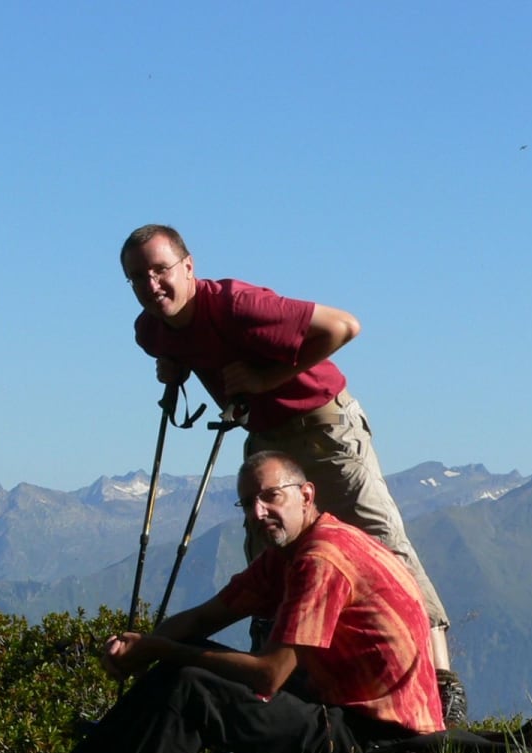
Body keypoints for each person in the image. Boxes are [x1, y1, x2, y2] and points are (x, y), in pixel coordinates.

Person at [0, 451, 444, 753]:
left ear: (306, 494)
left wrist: (162, 649)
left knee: (192, 688)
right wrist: (141, 647)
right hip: (343, 707)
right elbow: (206, 617)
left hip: (374, 739)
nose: (258, 513)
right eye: (248, 503)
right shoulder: (290, 553)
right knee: (182, 669)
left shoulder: (321, 559)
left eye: (270, 497)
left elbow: (269, 676)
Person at [118, 224, 466, 725]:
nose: (151, 285)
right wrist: (172, 367)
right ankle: (278, 690)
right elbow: (171, 346)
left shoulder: (238, 305)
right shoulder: (152, 331)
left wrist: (266, 379)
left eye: (160, 270)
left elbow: (344, 326)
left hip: (325, 427)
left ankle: (442, 685)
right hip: (268, 438)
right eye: (138, 277)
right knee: (271, 559)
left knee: (383, 544)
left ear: (188, 267)